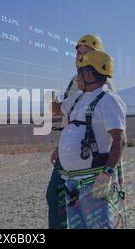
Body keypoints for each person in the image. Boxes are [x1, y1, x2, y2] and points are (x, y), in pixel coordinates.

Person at [52, 50, 127, 229]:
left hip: (93, 182)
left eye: (80, 72)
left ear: (90, 73)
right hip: (71, 183)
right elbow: (57, 111)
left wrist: (107, 174)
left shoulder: (108, 100)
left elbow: (120, 140)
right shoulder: (79, 98)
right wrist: (49, 96)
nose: (77, 77)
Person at [46, 34, 105, 229]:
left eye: (85, 52)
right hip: (69, 150)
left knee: (71, 199)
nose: (79, 56)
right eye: (78, 52)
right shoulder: (74, 81)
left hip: (88, 153)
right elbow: (70, 117)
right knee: (57, 196)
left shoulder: (103, 86)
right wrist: (59, 147)